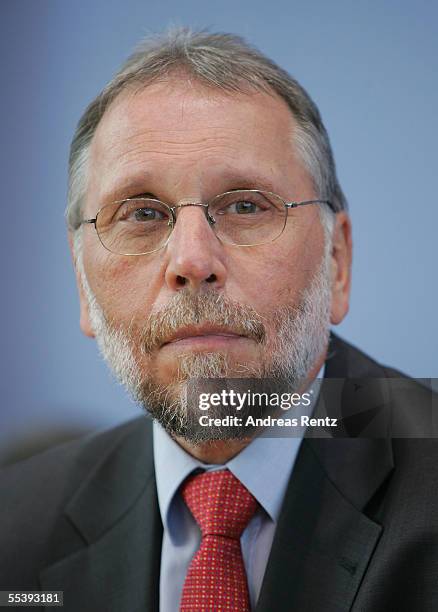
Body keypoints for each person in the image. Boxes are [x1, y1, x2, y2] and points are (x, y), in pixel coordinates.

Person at [0, 29, 437, 612]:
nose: (191, 261)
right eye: (144, 214)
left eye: (245, 206)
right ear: (83, 282)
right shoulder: (16, 529)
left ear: (337, 262)